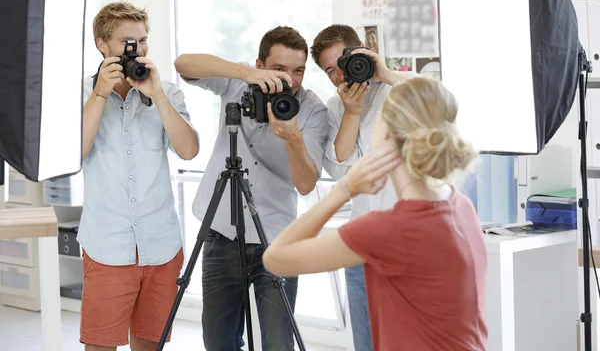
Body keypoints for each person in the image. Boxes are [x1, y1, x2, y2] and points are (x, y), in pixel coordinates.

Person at [263, 76, 487, 351]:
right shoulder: (460, 205)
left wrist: (344, 189)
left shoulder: (390, 229)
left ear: (386, 136)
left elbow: (276, 259)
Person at [174, 25, 329, 351]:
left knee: (277, 344)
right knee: (218, 343)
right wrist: (245, 74)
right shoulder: (239, 81)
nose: (290, 80)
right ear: (260, 65)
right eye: (280, 69)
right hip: (221, 235)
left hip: (277, 240)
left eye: (298, 70)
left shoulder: (312, 110)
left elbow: (305, 184)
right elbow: (183, 64)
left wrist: (292, 137)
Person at [77, 2, 200, 351]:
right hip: (107, 247)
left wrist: (158, 95)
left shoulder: (167, 91)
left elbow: (189, 150)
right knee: (100, 346)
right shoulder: (81, 94)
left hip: (161, 246)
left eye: (143, 41)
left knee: (151, 346)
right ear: (102, 44)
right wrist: (101, 94)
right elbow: (76, 153)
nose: (138, 50)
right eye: (127, 42)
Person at [310, 24, 419, 350]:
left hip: (407, 243)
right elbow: (340, 166)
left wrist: (384, 72)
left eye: (343, 63)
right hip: (361, 243)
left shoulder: (398, 90)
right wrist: (352, 113)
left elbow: (441, 103)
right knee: (367, 343)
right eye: (330, 70)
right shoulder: (335, 106)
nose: (341, 75)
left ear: (360, 52)